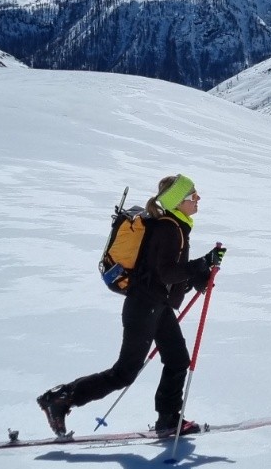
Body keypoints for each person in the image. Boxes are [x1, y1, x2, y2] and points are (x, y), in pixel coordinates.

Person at [37, 174, 226, 438]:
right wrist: (201, 263)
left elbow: (163, 274)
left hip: (155, 305)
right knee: (124, 372)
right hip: (144, 307)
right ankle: (60, 399)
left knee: (178, 360)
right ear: (178, 201)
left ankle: (169, 420)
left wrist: (199, 275)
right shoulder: (169, 229)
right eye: (193, 195)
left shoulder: (174, 226)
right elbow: (167, 274)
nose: (198, 199)